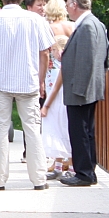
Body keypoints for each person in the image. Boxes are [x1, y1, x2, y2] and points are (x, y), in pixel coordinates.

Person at [0, 0, 55, 190]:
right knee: (32, 129)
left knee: (0, 129)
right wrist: (40, 80)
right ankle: (39, 179)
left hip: (1, 81)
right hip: (28, 81)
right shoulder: (36, 20)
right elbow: (45, 53)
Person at [59, 0, 109, 187]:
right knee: (86, 131)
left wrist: (79, 89)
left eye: (67, 5)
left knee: (79, 131)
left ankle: (84, 173)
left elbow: (86, 60)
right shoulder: (96, 23)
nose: (66, 9)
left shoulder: (87, 26)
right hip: (89, 87)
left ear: (74, 5)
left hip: (81, 89)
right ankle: (88, 170)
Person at [41, 35, 72, 178]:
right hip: (54, 102)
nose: (52, 53)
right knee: (56, 131)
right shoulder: (53, 65)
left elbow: (56, 88)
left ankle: (71, 165)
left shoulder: (64, 66)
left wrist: (46, 105)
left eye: (54, 49)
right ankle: (58, 165)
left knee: (64, 131)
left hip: (59, 102)